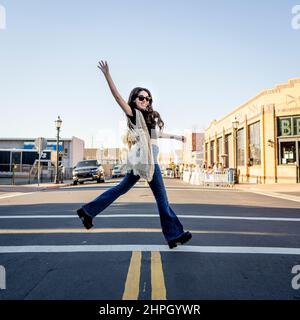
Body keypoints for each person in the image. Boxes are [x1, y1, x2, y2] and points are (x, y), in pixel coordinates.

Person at [77, 60, 192, 249]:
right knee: (162, 198)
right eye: (141, 97)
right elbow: (118, 98)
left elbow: (157, 136)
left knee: (121, 189)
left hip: (146, 157)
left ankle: (87, 212)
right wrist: (107, 76)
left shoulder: (148, 118)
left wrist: (177, 137)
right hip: (146, 159)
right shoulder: (133, 113)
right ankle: (174, 234)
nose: (145, 101)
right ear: (134, 99)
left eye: (148, 98)